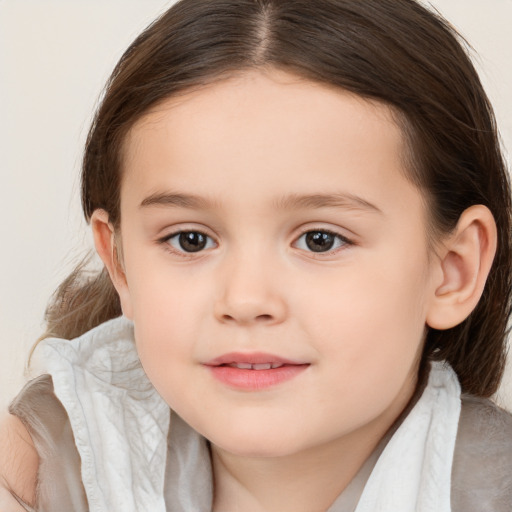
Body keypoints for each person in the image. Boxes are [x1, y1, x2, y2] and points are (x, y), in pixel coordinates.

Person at [1, 0, 511, 510]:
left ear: (452, 271)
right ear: (121, 265)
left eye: (320, 239)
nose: (245, 300)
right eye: (190, 239)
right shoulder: (38, 465)